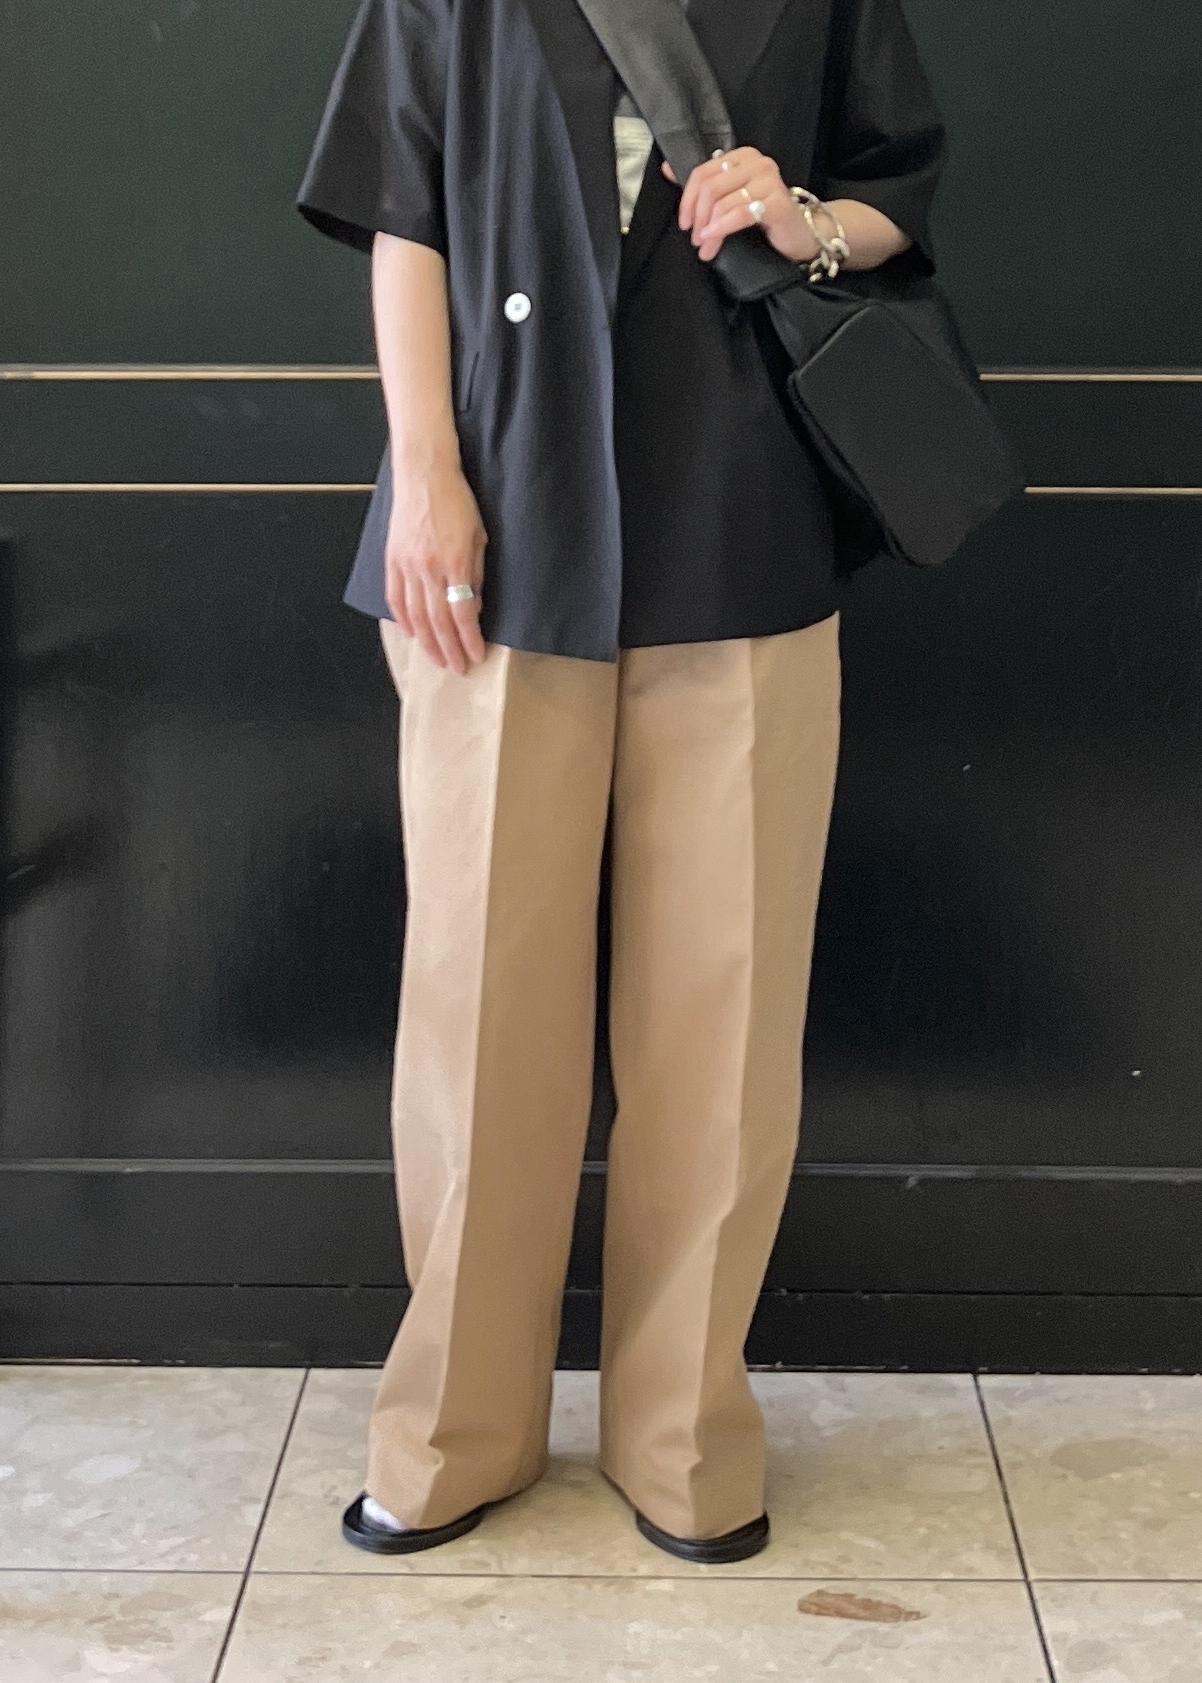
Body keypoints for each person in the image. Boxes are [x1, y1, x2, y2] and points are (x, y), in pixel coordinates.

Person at [296, 0, 946, 1565]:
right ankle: (453, 1432)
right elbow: (403, 219)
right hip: (500, 530)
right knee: (477, 1007)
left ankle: (683, 1438)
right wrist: (427, 478)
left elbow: (893, 199)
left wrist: (801, 219)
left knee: (722, 1016)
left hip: (742, 525)